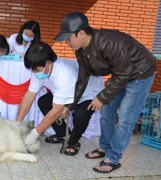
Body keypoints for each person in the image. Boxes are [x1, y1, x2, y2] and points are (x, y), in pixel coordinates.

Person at [54, 12, 156, 173]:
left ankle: (113, 157)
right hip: (121, 75)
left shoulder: (108, 41)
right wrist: (70, 105)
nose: (66, 42)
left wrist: (102, 97)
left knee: (125, 117)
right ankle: (105, 147)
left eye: (68, 38)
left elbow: (125, 73)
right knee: (107, 111)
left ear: (81, 33)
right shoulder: (81, 50)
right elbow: (83, 78)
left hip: (140, 74)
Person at [16, 42, 104, 156]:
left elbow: (56, 110)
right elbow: (29, 95)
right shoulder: (39, 69)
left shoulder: (64, 74)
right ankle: (62, 134)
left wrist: (35, 133)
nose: (34, 72)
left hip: (87, 93)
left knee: (80, 114)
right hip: (66, 90)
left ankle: (73, 142)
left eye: (36, 69)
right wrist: (18, 123)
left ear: (48, 63)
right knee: (43, 102)